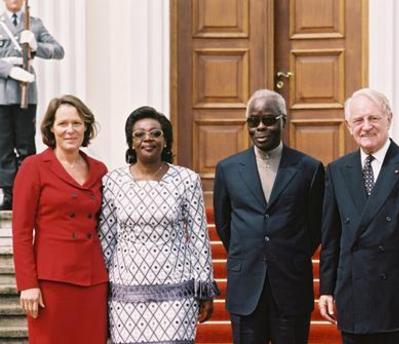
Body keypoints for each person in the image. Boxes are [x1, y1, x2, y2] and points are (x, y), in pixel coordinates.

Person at [319, 88, 399, 344]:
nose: (366, 127)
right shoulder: (336, 171)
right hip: (354, 296)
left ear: (389, 118)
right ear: (348, 126)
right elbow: (331, 237)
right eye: (358, 120)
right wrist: (326, 289)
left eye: (373, 118)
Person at [99, 106, 219, 344]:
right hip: (126, 291)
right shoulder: (112, 181)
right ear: (131, 142)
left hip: (177, 290)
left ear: (166, 141)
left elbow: (198, 237)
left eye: (155, 133)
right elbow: (106, 239)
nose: (148, 139)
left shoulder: (187, 179)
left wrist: (204, 288)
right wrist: (101, 290)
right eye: (139, 134)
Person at [213, 89, 325, 344]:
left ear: (283, 121)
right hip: (245, 284)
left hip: (291, 283)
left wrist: (287, 252)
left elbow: (315, 226)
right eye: (253, 121)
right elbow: (224, 224)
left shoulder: (309, 168)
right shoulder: (228, 169)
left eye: (268, 120)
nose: (260, 127)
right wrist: (250, 251)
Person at [12, 95, 108, 343]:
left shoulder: (99, 169)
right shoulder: (33, 167)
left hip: (93, 279)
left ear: (85, 127)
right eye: (63, 123)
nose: (70, 130)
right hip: (51, 281)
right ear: (51, 128)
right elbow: (21, 232)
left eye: (76, 123)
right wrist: (27, 284)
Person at [0, 0, 64, 210]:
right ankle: (9, 193)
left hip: (26, 92)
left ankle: (27, 190)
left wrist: (37, 47)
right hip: (2, 93)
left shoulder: (34, 24)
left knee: (26, 145)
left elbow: (58, 50)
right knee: (3, 146)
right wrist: (9, 70)